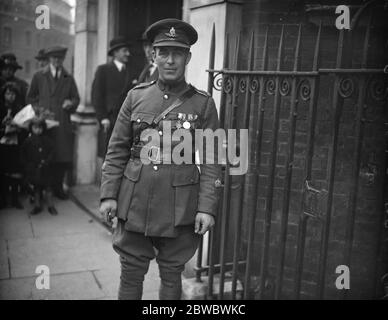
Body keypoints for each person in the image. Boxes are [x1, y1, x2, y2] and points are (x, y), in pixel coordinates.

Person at [99, 18, 222, 300]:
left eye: (177, 53)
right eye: (163, 52)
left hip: (180, 207)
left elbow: (214, 159)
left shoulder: (203, 104)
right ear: (153, 55)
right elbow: (117, 149)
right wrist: (108, 195)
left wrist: (207, 208)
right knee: (130, 273)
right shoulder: (135, 97)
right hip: (135, 202)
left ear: (187, 57)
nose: (169, 60)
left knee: (171, 275)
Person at [27, 46, 80, 201]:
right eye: (54, 58)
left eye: (60, 58)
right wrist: (39, 111)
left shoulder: (68, 78)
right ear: (49, 59)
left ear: (63, 59)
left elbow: (76, 98)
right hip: (44, 123)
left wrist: (71, 104)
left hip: (62, 122)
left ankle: (57, 188)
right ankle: (41, 188)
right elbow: (30, 98)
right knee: (43, 155)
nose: (57, 61)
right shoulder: (39, 76)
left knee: (61, 157)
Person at [91, 36, 137, 157]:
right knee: (110, 156)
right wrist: (102, 118)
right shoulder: (103, 70)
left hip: (127, 120)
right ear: (115, 52)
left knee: (126, 155)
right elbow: (96, 96)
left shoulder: (132, 71)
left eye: (128, 51)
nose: (128, 54)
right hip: (110, 121)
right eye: (125, 51)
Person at [21, 117, 57, 216]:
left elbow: (52, 151)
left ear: (43, 128)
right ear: (31, 128)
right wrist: (28, 165)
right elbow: (23, 154)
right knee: (37, 188)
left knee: (48, 188)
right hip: (34, 169)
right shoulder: (28, 141)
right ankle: (37, 206)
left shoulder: (47, 140)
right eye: (35, 128)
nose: (38, 130)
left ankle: (51, 206)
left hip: (46, 168)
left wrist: (48, 161)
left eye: (40, 128)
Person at [0, 82, 26, 209]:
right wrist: (3, 126)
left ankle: (15, 199)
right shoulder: (1, 109)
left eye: (13, 94)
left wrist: (18, 127)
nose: (10, 96)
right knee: (3, 171)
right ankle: (3, 199)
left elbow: (25, 127)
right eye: (8, 93)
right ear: (4, 94)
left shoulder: (19, 109)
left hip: (15, 145)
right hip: (3, 145)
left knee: (15, 171)